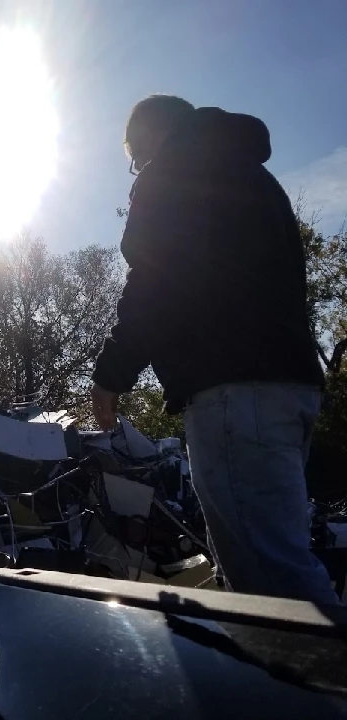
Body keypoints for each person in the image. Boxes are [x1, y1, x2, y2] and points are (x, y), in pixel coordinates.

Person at [91, 95, 339, 605]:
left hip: (234, 392)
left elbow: (156, 280)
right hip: (288, 388)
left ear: (154, 135)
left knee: (276, 584)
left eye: (136, 157)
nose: (139, 169)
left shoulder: (175, 173)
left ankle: (321, 681)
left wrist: (112, 372)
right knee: (272, 563)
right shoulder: (252, 178)